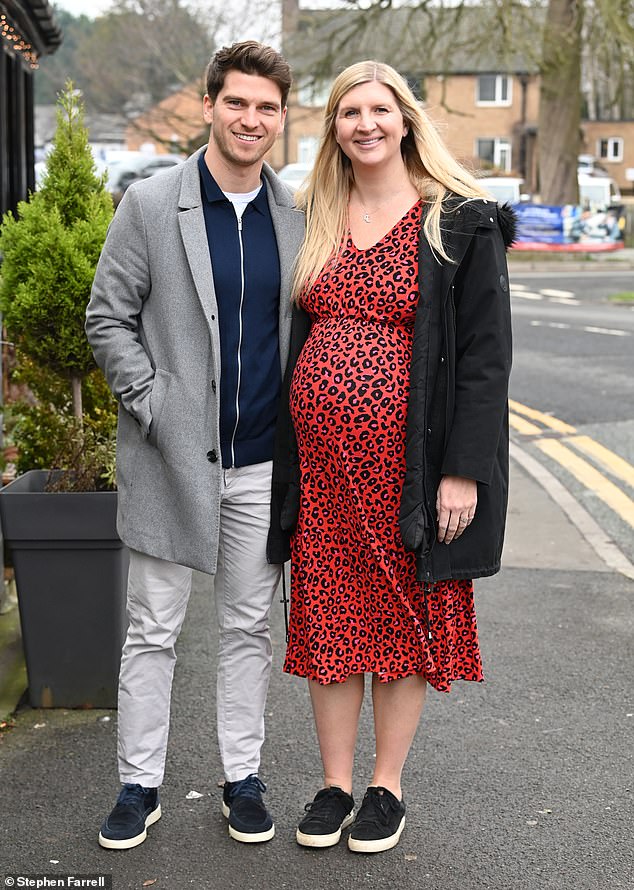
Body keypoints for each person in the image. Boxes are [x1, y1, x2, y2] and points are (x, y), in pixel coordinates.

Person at [267, 60, 515, 854]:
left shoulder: (459, 221)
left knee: (405, 621)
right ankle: (335, 784)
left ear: (405, 119)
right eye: (348, 113)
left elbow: (484, 357)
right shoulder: (317, 214)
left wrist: (464, 469)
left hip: (412, 468)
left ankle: (386, 786)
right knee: (330, 619)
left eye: (379, 110)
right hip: (322, 472)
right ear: (333, 128)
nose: (365, 124)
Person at [85, 40, 304, 850]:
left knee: (248, 628)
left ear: (282, 118)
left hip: (261, 466)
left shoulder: (296, 214)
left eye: (267, 107)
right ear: (211, 105)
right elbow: (106, 317)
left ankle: (241, 778)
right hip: (169, 460)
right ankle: (137, 786)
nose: (251, 119)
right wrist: (154, 403)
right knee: (153, 630)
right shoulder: (150, 204)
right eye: (238, 103)